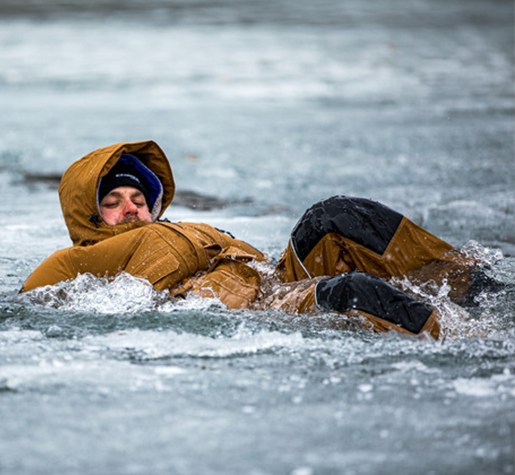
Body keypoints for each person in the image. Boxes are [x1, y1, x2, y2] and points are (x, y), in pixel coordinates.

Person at [21, 140, 483, 339]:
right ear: (89, 217)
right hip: (255, 309)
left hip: (271, 278)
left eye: (138, 196)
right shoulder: (82, 259)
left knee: (336, 215)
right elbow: (32, 297)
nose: (131, 208)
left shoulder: (183, 229)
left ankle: (478, 291)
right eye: (112, 201)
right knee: (352, 291)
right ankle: (465, 341)